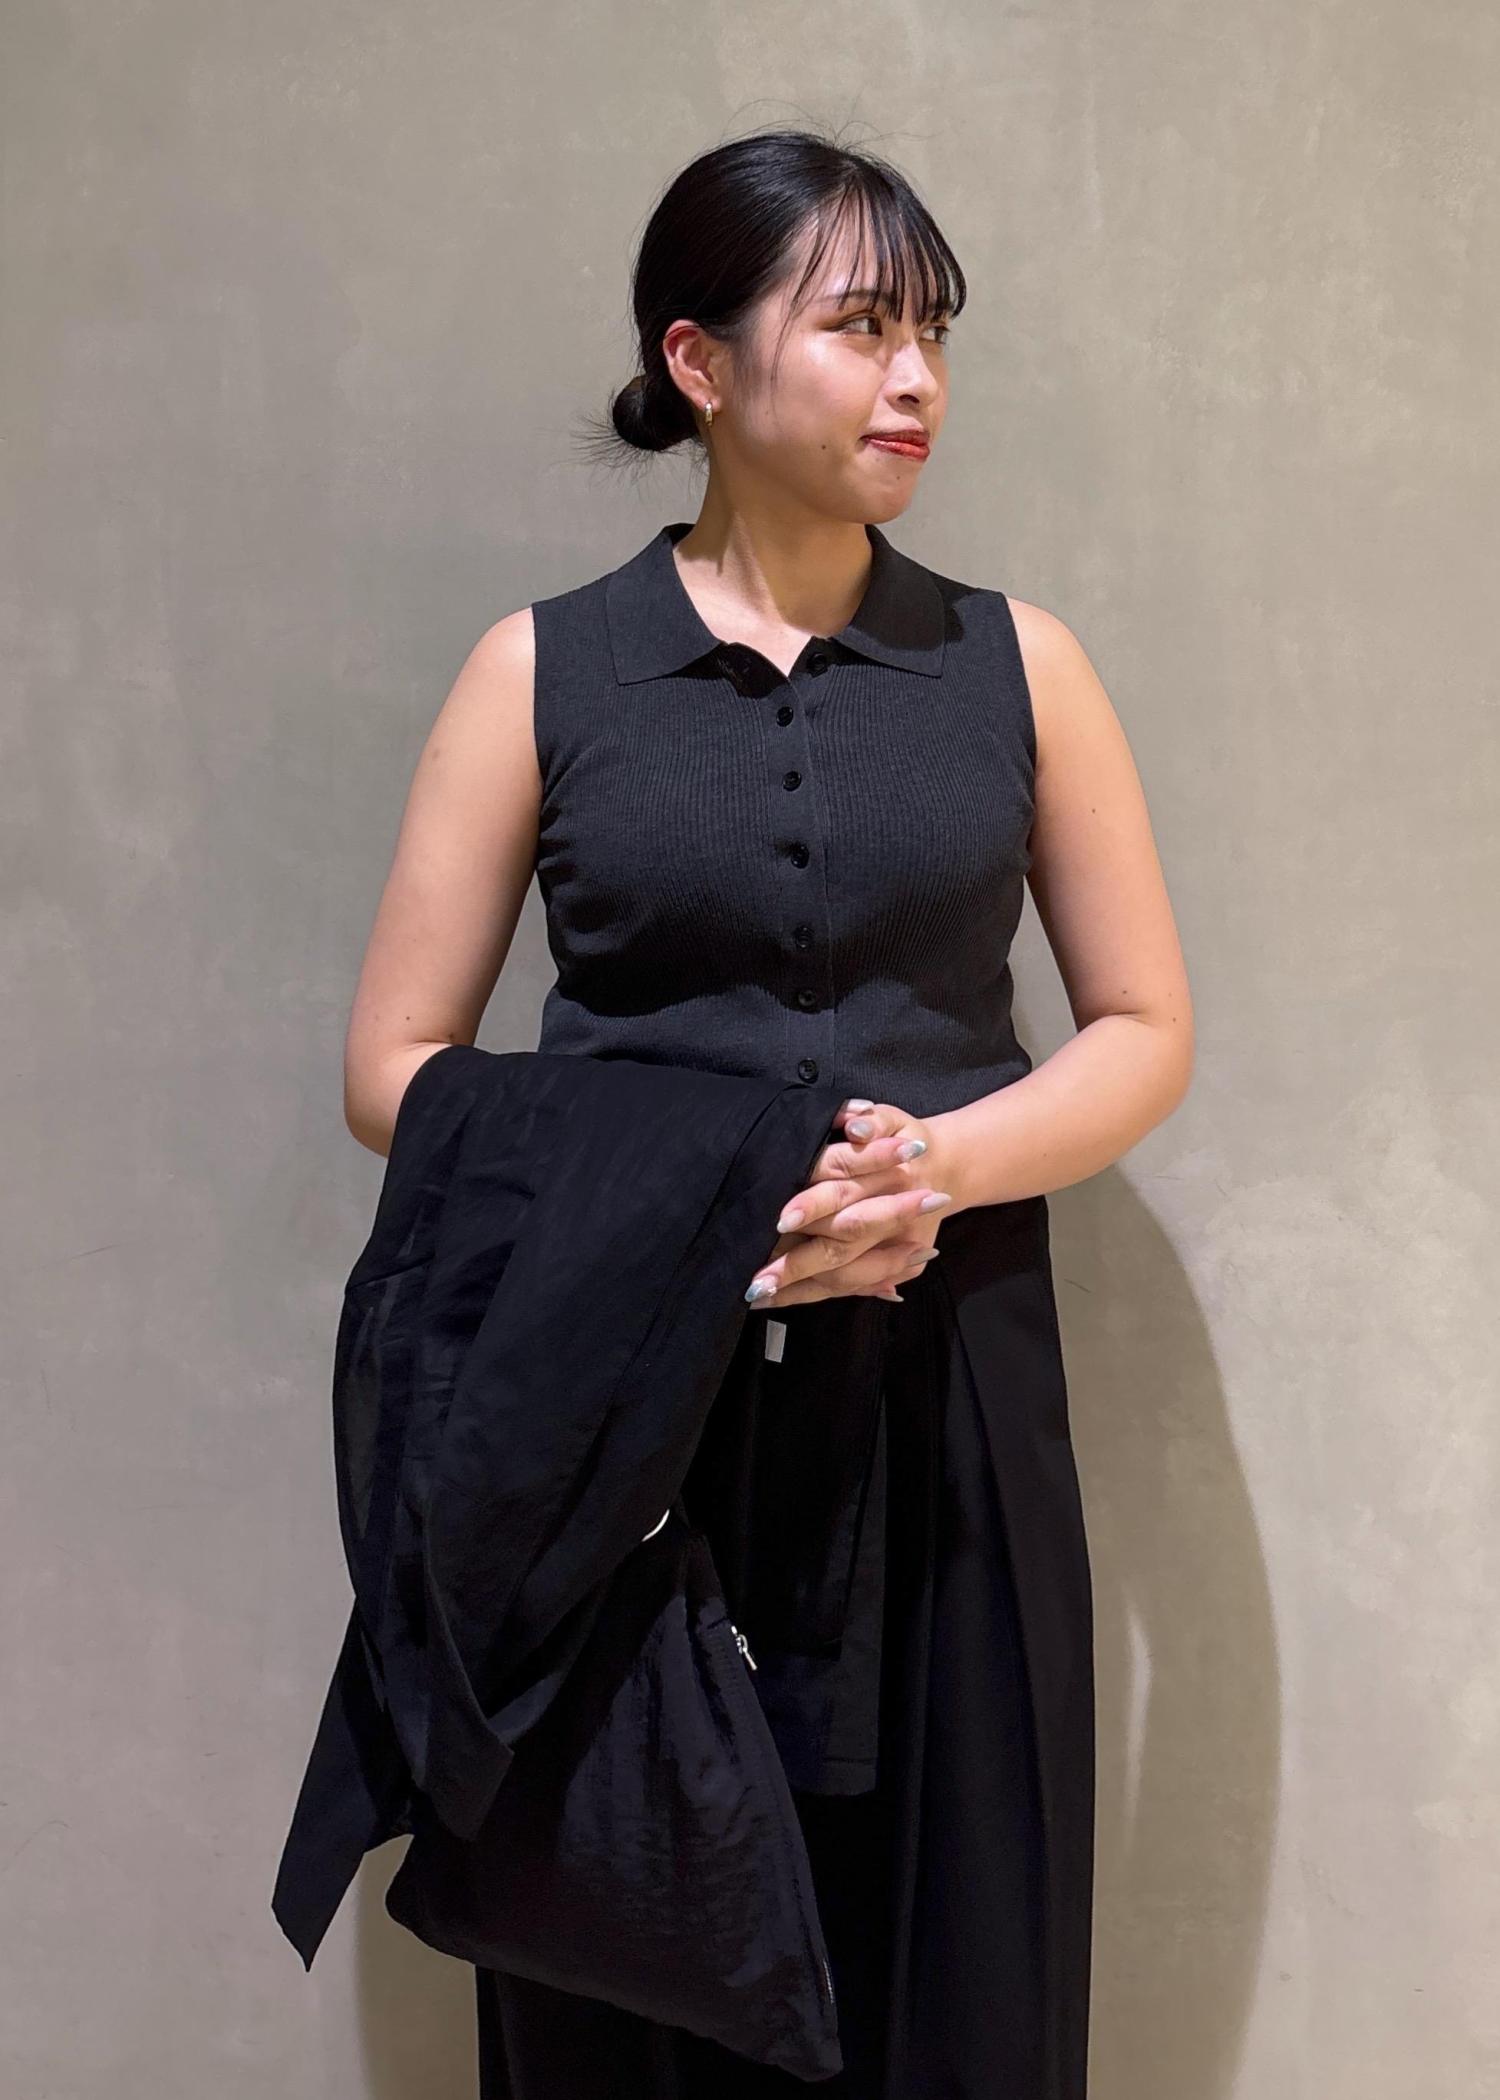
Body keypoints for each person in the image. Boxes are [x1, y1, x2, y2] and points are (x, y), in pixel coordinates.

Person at [341, 126, 1193, 2100]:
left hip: (950, 1386)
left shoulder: (1024, 665)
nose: (919, 382)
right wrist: (691, 1193)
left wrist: (940, 1170)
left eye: (936, 335)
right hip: (623, 1407)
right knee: (625, 1962)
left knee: (959, 1953)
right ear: (701, 362)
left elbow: (1144, 1025)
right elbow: (394, 1067)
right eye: (863, 327)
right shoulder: (539, 673)